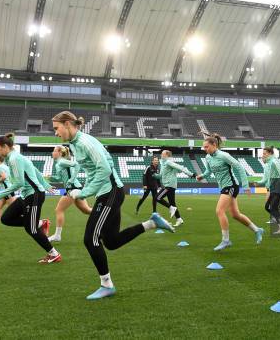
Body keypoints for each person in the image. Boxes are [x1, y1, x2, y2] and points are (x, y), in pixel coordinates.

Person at [51, 111, 174, 300]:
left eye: (56, 128)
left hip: (111, 192)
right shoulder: (76, 144)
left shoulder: (84, 142)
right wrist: (85, 189)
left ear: (67, 124)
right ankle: (152, 223)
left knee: (90, 238)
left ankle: (106, 285)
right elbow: (95, 170)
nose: (56, 133)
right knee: (112, 241)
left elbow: (105, 169)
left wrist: (83, 193)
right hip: (107, 192)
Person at [0, 134, 59, 263]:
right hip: (26, 195)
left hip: (35, 194)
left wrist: (0, 194)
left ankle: (54, 254)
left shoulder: (14, 159)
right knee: (6, 218)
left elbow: (20, 183)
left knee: (31, 229)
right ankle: (40, 223)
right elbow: (35, 170)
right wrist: (46, 184)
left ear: (5, 146)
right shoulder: (14, 158)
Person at [196, 133, 264, 251]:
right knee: (235, 215)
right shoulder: (208, 158)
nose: (204, 149)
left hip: (231, 185)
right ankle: (257, 230)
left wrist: (246, 186)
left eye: (206, 147)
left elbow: (240, 168)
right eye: (204, 147)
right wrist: (202, 176)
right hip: (223, 187)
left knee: (219, 210)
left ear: (214, 145)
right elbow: (208, 171)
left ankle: (226, 240)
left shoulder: (224, 155)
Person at [47, 146, 92, 242]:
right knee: (87, 211)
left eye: (54, 151)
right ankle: (106, 214)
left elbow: (77, 165)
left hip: (73, 188)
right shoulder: (58, 163)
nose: (52, 152)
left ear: (59, 153)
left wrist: (71, 179)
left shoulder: (62, 161)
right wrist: (51, 178)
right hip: (74, 188)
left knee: (59, 210)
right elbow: (59, 178)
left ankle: (57, 235)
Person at [252, 146, 280, 234]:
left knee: (273, 208)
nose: (263, 155)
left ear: (270, 153)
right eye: (263, 154)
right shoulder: (268, 164)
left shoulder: (274, 162)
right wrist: (258, 183)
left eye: (265, 153)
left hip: (278, 186)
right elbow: (265, 178)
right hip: (273, 187)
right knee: (268, 207)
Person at [153, 150, 196, 226]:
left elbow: (181, 167)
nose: (161, 155)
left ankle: (171, 208)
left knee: (157, 198)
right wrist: (154, 175)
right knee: (172, 203)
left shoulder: (168, 162)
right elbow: (160, 176)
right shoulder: (163, 163)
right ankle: (179, 219)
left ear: (167, 155)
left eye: (162, 153)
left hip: (169, 185)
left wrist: (191, 174)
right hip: (169, 185)